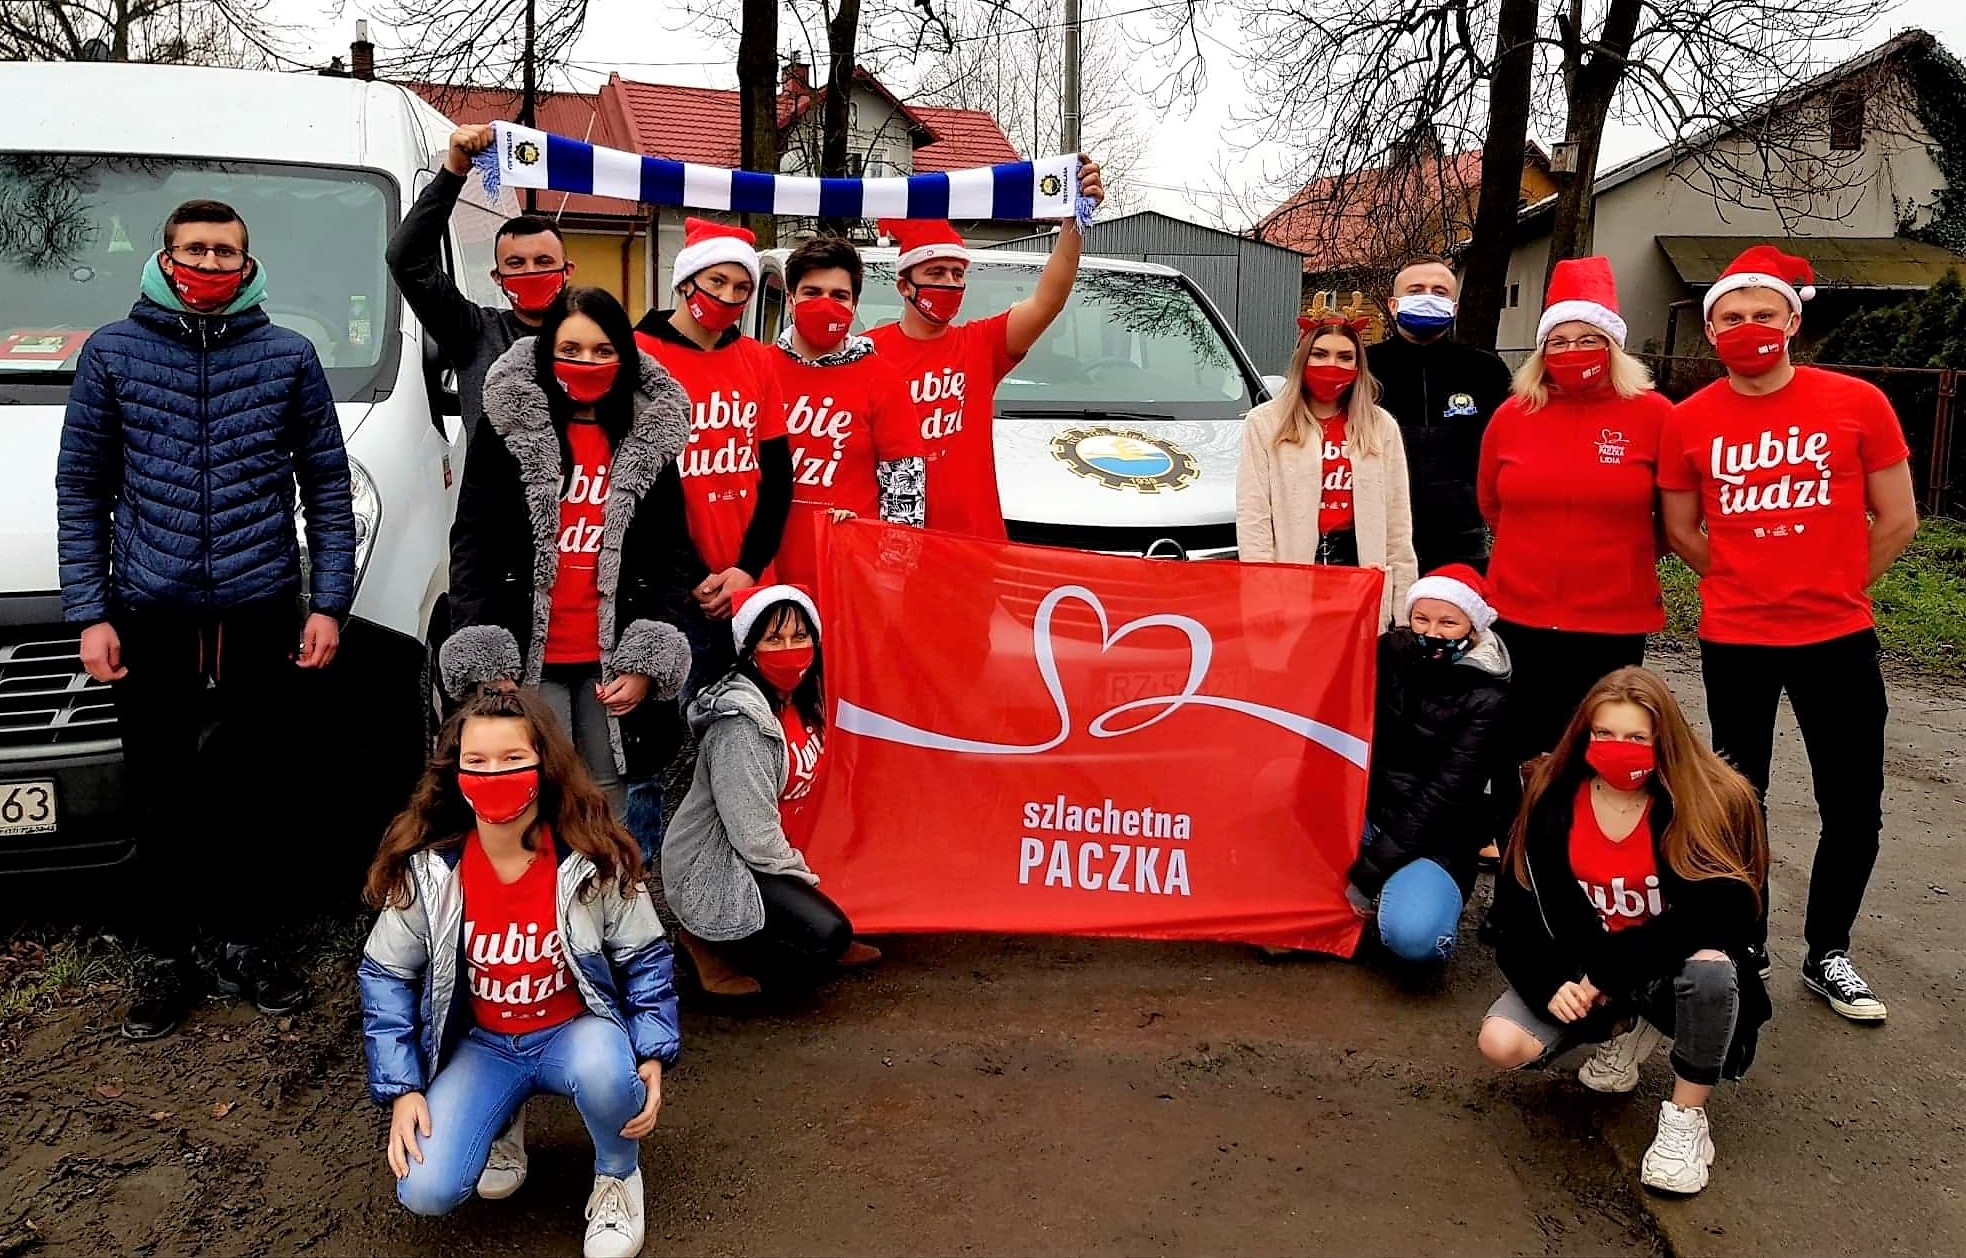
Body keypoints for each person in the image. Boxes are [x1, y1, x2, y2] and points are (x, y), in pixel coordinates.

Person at [56, 198, 354, 1041]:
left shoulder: (288, 355)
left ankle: (246, 942)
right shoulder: (113, 353)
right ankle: (166, 955)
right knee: (159, 792)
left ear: (249, 263)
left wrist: (327, 601)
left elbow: (327, 488)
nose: (212, 265)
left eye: (227, 252)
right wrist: (90, 612)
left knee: (257, 788)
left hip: (261, 610)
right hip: (151, 612)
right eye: (197, 250)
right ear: (165, 255)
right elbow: (83, 488)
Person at [1659, 244, 1918, 1023]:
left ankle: (1829, 951)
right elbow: (1681, 529)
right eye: (1730, 317)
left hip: (1836, 636)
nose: (1747, 327)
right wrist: (1746, 577)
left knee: (1854, 801)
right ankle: (1747, 942)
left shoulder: (1857, 403)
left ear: (1793, 320)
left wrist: (1831, 583)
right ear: (1711, 334)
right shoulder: (1688, 421)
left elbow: (1898, 518)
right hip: (1736, 636)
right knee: (1742, 798)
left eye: (1762, 314)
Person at [359, 685, 679, 1258]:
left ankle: (617, 1175)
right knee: (425, 1189)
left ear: (544, 767)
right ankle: (505, 1117)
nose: (493, 775)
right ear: (454, 772)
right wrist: (403, 1088)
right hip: (485, 1044)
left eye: (512, 760)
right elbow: (385, 975)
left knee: (610, 1072)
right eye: (475, 762)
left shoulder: (591, 857)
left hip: (574, 1034)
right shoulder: (429, 871)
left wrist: (653, 1049)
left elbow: (644, 954)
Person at [1478, 667, 1771, 1196]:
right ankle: (1628, 1026)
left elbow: (1730, 911)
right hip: (1585, 969)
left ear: (1665, 738)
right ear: (1583, 734)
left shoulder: (1712, 798)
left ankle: (1686, 1120)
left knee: (1709, 968)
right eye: (1604, 733)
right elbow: (1515, 912)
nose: (1620, 747)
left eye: (1637, 737)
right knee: (1500, 1043)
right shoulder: (1549, 795)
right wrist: (1549, 982)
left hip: (1661, 964)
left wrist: (1610, 972)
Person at [437, 287, 694, 817]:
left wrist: (646, 656)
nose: (587, 363)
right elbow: (472, 543)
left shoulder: (647, 436)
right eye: (571, 350)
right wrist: (487, 650)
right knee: (535, 788)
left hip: (612, 657)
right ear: (546, 350)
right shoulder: (508, 431)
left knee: (608, 795)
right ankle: (540, 897)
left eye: (602, 351)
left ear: (624, 355)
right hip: (528, 654)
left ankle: (607, 894)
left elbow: (671, 555)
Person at [1479, 256, 1672, 841]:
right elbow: (1492, 503)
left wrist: (1620, 555)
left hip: (1611, 619)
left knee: (1598, 748)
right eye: (1558, 339)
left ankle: (1592, 863)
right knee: (1517, 748)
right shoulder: (1513, 415)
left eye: (1588, 338)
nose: (1573, 350)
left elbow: (1672, 516)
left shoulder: (1656, 416)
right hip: (1518, 613)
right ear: (1541, 351)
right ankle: (1522, 868)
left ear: (1614, 344)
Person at [864, 153, 1105, 539]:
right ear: (904, 285)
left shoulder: (980, 344)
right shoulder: (865, 352)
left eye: (958, 273)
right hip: (893, 547)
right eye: (936, 273)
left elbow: (1048, 301)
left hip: (976, 548)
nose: (949, 283)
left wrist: (1073, 222)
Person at [661, 585, 878, 996]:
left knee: (824, 923)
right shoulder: (740, 726)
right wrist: (808, 886)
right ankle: (703, 940)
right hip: (720, 862)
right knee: (826, 933)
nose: (789, 648)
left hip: (777, 847)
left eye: (800, 636)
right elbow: (754, 837)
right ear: (748, 648)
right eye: (773, 639)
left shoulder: (806, 701)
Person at [633, 218, 791, 693]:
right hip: (676, 588)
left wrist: (748, 567)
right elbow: (638, 483)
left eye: (742, 287)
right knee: (683, 725)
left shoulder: (758, 359)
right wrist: (695, 576)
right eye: (717, 281)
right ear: (686, 282)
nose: (728, 297)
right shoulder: (640, 354)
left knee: (750, 720)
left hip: (751, 579)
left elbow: (778, 476)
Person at [1348, 566, 1512, 962]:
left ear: (1472, 627)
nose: (1433, 633)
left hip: (1436, 839)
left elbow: (1442, 798)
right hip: (1362, 817)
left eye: (1448, 622)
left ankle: (1403, 900)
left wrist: (1369, 873)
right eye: (1421, 619)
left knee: (1414, 939)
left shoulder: (1490, 699)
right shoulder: (1388, 652)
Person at [386, 123, 574, 441]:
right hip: (494, 491)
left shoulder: (597, 337)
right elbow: (407, 261)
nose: (530, 272)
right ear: (497, 277)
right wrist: (453, 173)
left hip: (582, 488)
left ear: (567, 270)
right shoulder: (473, 333)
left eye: (543, 262)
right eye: (516, 263)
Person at [1236, 308, 1417, 628]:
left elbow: (1397, 527)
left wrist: (1402, 613)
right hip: (1293, 571)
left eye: (1345, 357)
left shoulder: (1380, 427)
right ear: (1302, 359)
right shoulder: (1265, 424)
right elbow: (1254, 521)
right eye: (1320, 354)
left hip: (1357, 570)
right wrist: (1261, 595)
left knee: (1354, 670)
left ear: (1358, 366)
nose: (1332, 365)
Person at [770, 236, 926, 593]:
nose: (825, 304)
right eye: (812, 292)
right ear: (791, 299)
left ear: (855, 305)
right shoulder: (759, 369)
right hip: (768, 578)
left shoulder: (881, 379)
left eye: (839, 296)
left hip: (851, 580)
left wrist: (892, 578)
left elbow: (905, 487)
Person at [1365, 255, 1513, 572]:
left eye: (1439, 292)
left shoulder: (1486, 370)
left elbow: (1513, 449)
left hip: (1461, 538)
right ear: (1394, 305)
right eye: (1416, 291)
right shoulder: (1365, 367)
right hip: (1375, 535)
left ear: (1454, 308)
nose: (1428, 299)